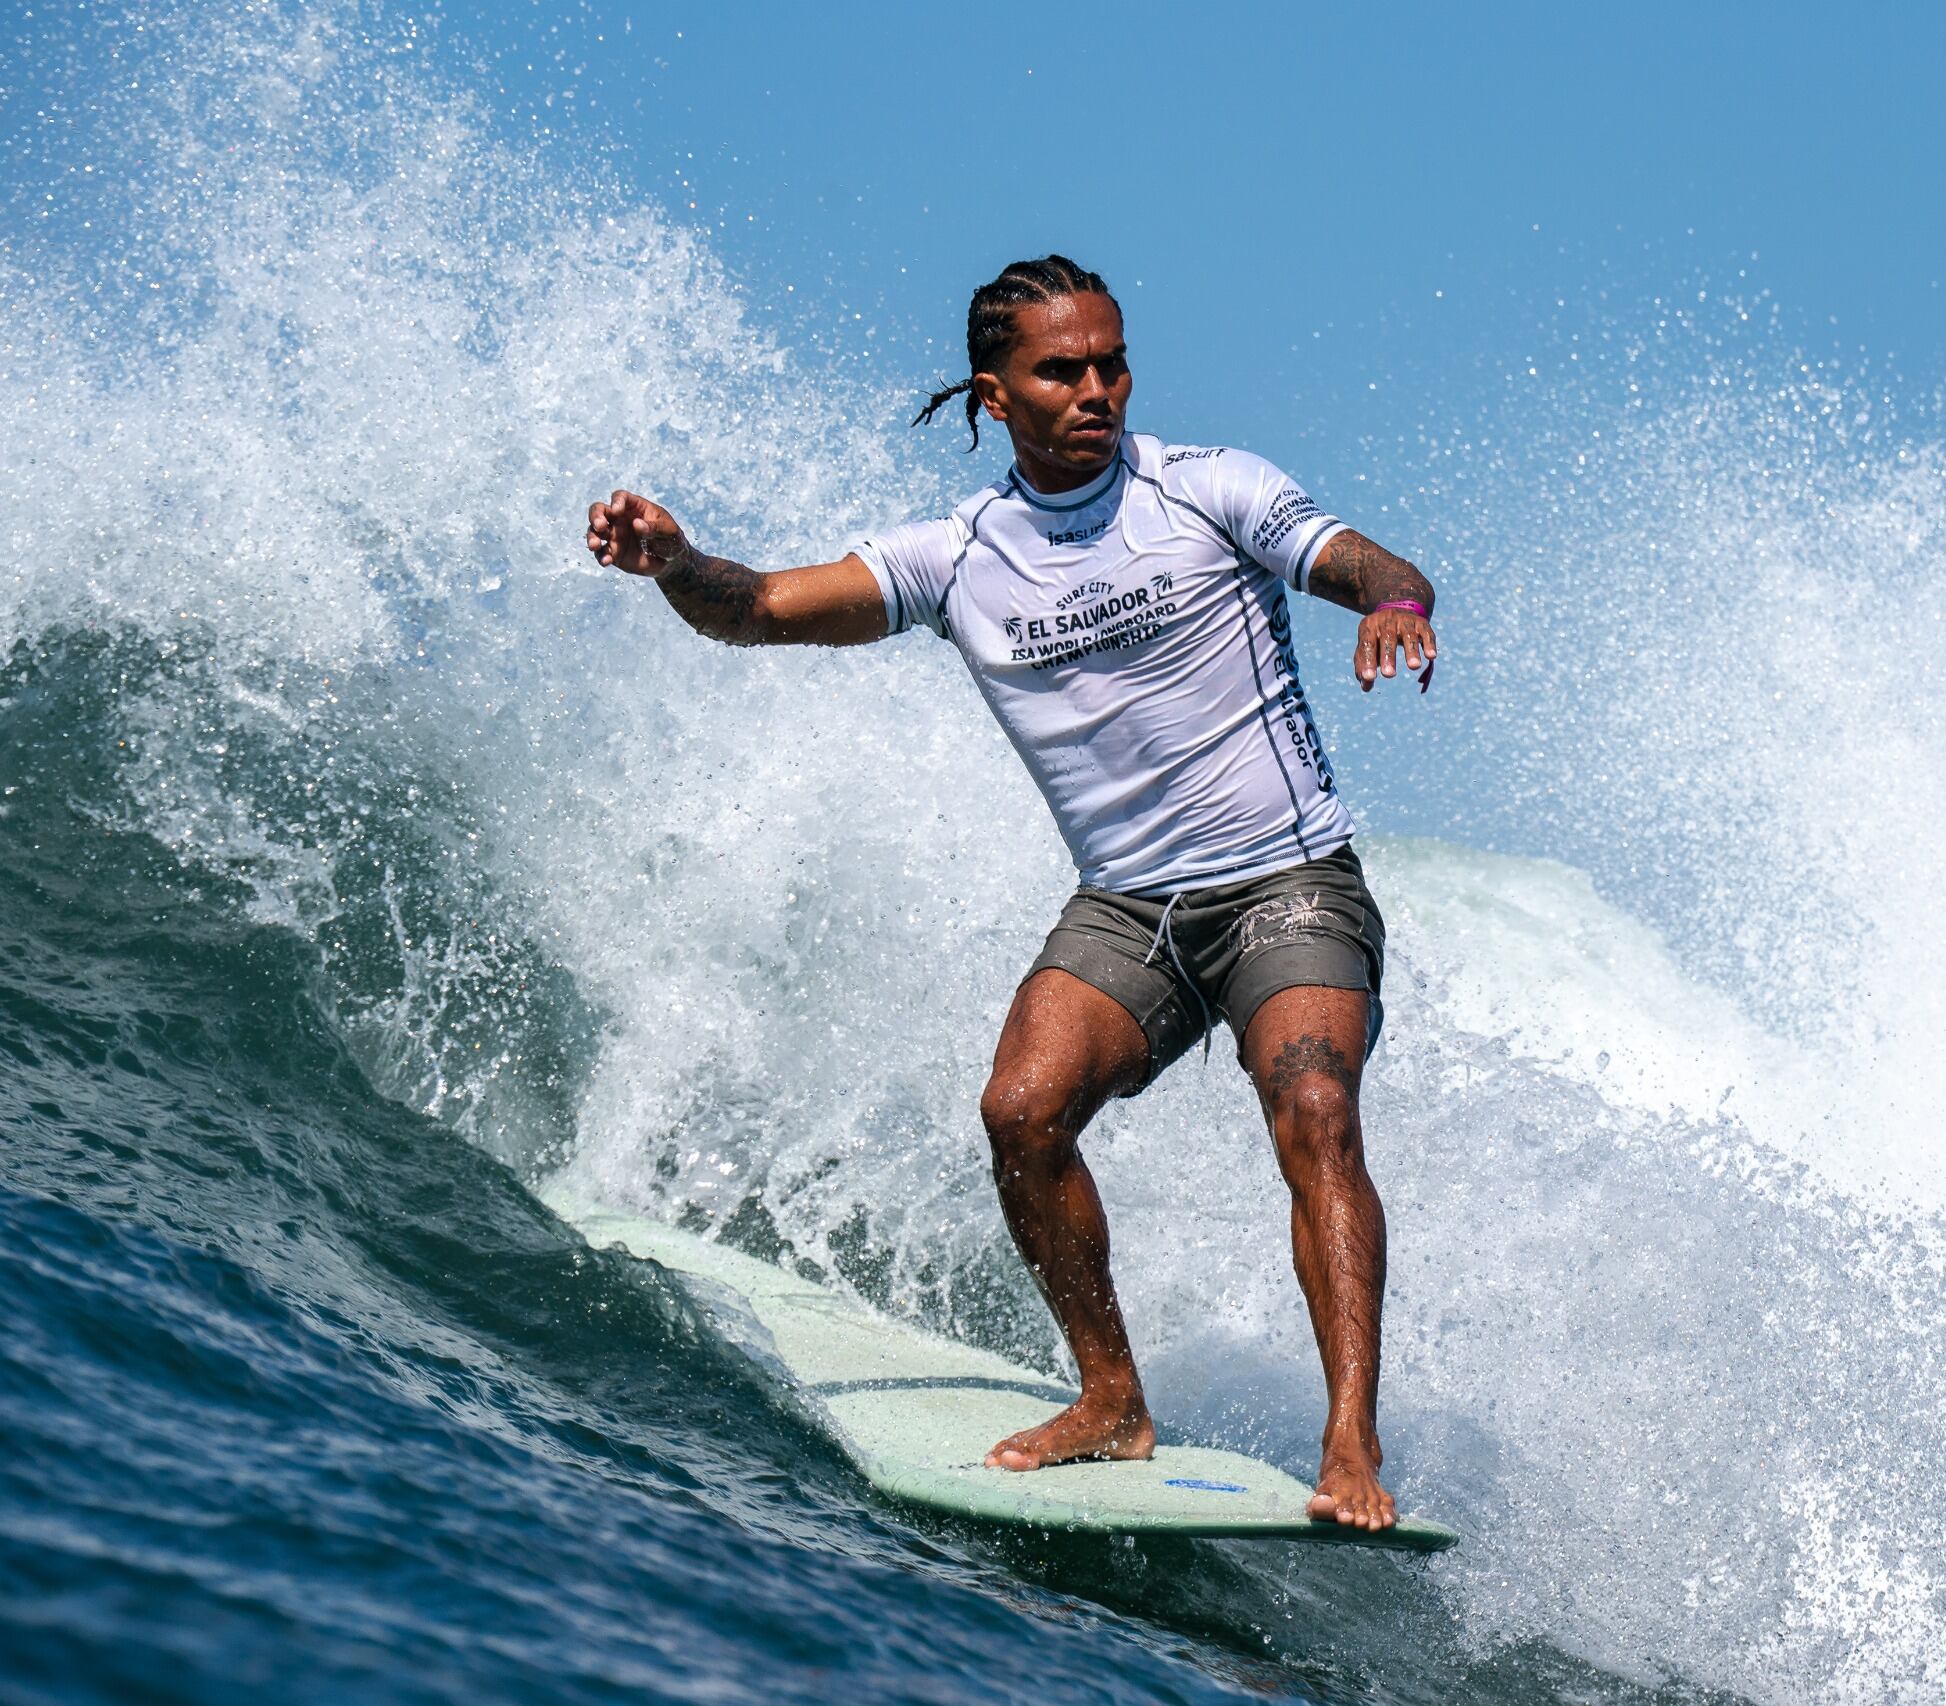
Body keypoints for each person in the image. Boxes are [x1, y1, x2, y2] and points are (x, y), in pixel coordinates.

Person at [584, 255, 1438, 1532]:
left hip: (1285, 879)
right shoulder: (959, 556)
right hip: (1129, 906)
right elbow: (758, 607)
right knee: (1021, 1109)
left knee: (1314, 1105)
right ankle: (1111, 1397)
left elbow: (1370, 563)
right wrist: (674, 562)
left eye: (1111, 363)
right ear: (995, 395)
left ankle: (1351, 1443)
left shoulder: (1210, 490)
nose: (1095, 389)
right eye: (1059, 370)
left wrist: (1396, 602)